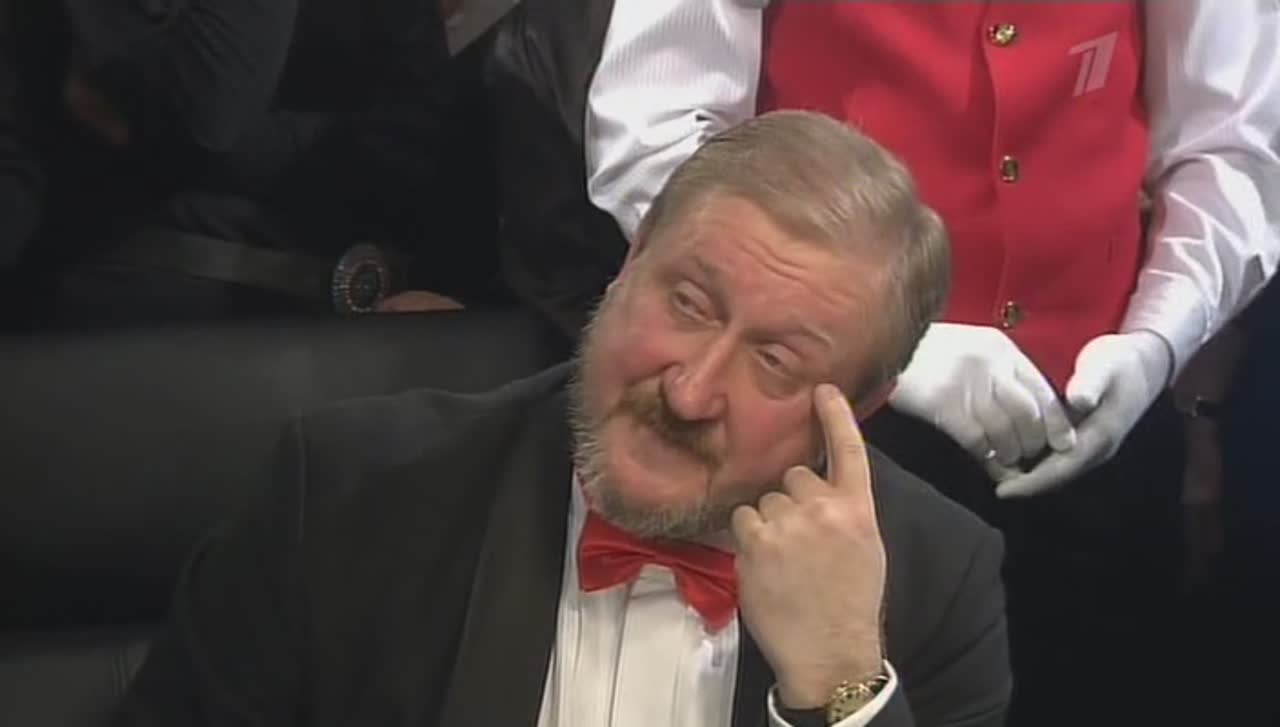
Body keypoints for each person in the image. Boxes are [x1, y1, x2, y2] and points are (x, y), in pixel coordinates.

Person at [114, 111, 1011, 727]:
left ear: (858, 411)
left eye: (775, 361)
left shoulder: (933, 581)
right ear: (629, 264)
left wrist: (841, 683)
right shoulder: (351, 496)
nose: (690, 391)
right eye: (688, 302)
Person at [584, 2, 1280, 724]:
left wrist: (1160, 337)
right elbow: (651, 130)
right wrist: (895, 346)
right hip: (827, 443)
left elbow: (1231, 143)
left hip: (1102, 440)